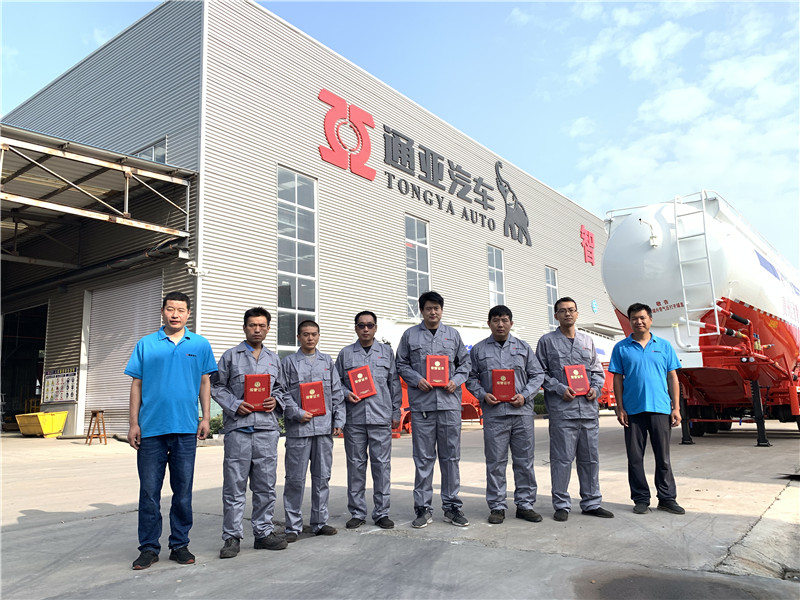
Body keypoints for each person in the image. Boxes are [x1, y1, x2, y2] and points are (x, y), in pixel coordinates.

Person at [125, 291, 217, 570]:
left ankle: (180, 544)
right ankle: (148, 547)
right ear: (162, 311)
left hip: (185, 429)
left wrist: (205, 418)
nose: (175, 314)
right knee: (149, 492)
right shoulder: (146, 344)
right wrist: (133, 423)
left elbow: (204, 382)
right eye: (170, 309)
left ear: (188, 313)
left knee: (183, 491)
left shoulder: (199, 344)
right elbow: (137, 384)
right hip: (151, 429)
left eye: (180, 310)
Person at [210, 307, 288, 558]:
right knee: (234, 486)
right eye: (253, 325)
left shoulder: (274, 359)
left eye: (262, 325)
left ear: (268, 328)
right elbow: (216, 386)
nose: (257, 330)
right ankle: (231, 537)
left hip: (266, 430)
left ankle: (263, 533)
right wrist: (234, 405)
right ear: (244, 327)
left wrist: (276, 400)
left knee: (266, 486)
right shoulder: (231, 357)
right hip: (239, 430)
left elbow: (282, 389)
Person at [396, 291, 470, 528]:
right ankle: (423, 508)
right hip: (423, 407)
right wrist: (416, 379)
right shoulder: (410, 335)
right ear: (421, 310)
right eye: (428, 308)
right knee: (423, 459)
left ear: (442, 310)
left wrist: (456, 381)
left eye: (437, 308)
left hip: (449, 405)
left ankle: (451, 506)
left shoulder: (453, 335)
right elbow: (401, 363)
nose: (433, 312)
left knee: (451, 458)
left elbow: (465, 364)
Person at [535, 297, 613, 522]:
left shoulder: (587, 341)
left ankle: (591, 502)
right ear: (556, 316)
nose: (567, 314)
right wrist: (559, 388)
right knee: (562, 459)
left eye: (571, 310)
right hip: (563, 411)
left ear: (577, 314)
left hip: (588, 411)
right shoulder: (547, 342)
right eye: (562, 311)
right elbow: (539, 373)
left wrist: (596, 389)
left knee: (590, 459)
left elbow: (597, 372)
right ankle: (561, 504)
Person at [466, 305, 545, 524]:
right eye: (496, 320)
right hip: (495, 415)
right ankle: (497, 506)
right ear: (489, 323)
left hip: (521, 413)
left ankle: (525, 505)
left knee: (524, 461)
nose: (500, 324)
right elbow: (470, 377)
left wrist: (525, 396)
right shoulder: (479, 350)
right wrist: (483, 395)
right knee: (495, 462)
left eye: (504, 320)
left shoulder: (523, 347)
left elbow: (537, 375)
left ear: (511, 323)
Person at [609, 302, 684, 515]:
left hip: (660, 408)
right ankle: (641, 498)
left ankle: (667, 498)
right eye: (634, 318)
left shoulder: (664, 346)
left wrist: (676, 408)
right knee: (635, 458)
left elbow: (672, 377)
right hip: (633, 411)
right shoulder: (621, 347)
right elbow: (617, 379)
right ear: (630, 321)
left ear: (650, 320)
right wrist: (620, 407)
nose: (639, 321)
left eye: (642, 318)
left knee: (663, 458)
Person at [335, 311, 402, 530]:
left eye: (370, 325)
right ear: (356, 328)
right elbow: (335, 383)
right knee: (355, 466)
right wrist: (346, 394)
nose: (366, 329)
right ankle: (357, 512)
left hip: (380, 417)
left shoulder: (386, 352)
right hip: (355, 418)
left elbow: (394, 384)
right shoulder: (345, 354)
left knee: (381, 466)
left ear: (375, 328)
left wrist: (396, 413)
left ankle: (382, 512)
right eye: (361, 325)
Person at [281, 320, 345, 540]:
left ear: (319, 336)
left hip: (323, 429)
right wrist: (296, 412)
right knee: (295, 479)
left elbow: (336, 393)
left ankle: (320, 522)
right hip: (299, 429)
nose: (310, 338)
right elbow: (281, 392)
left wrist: (339, 420)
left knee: (322, 478)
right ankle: (292, 526)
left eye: (314, 334)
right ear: (298, 337)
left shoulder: (327, 361)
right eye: (306, 334)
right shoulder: (288, 362)